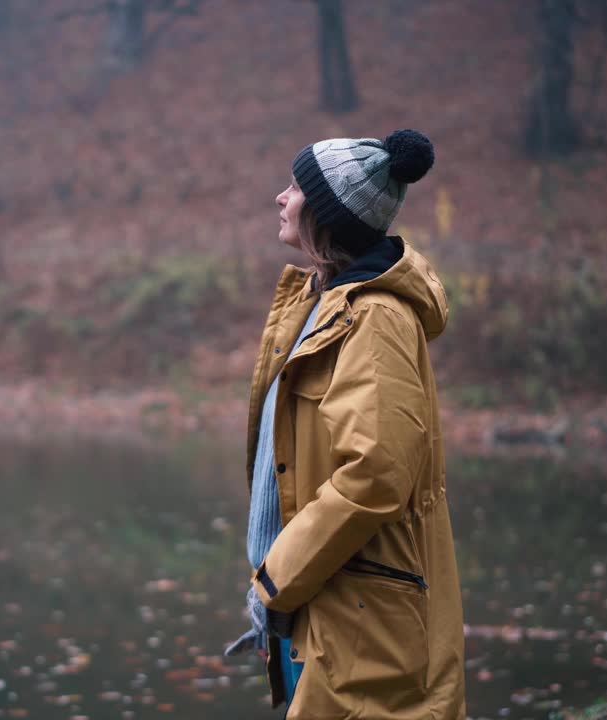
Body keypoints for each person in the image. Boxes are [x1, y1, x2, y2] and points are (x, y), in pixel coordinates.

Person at [224, 129, 465, 719]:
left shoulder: (375, 318)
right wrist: (273, 590)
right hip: (310, 596)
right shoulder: (323, 301)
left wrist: (278, 580)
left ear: (328, 214)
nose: (281, 198)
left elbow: (375, 475)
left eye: (296, 188)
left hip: (354, 605)